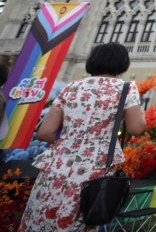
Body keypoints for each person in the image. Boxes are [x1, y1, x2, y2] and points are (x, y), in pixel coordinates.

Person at [19, 42, 146, 232]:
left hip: (54, 168)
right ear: (122, 64)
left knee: (41, 221)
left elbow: (45, 133)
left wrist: (73, 141)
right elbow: (136, 128)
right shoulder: (126, 89)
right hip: (92, 171)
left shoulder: (72, 87)